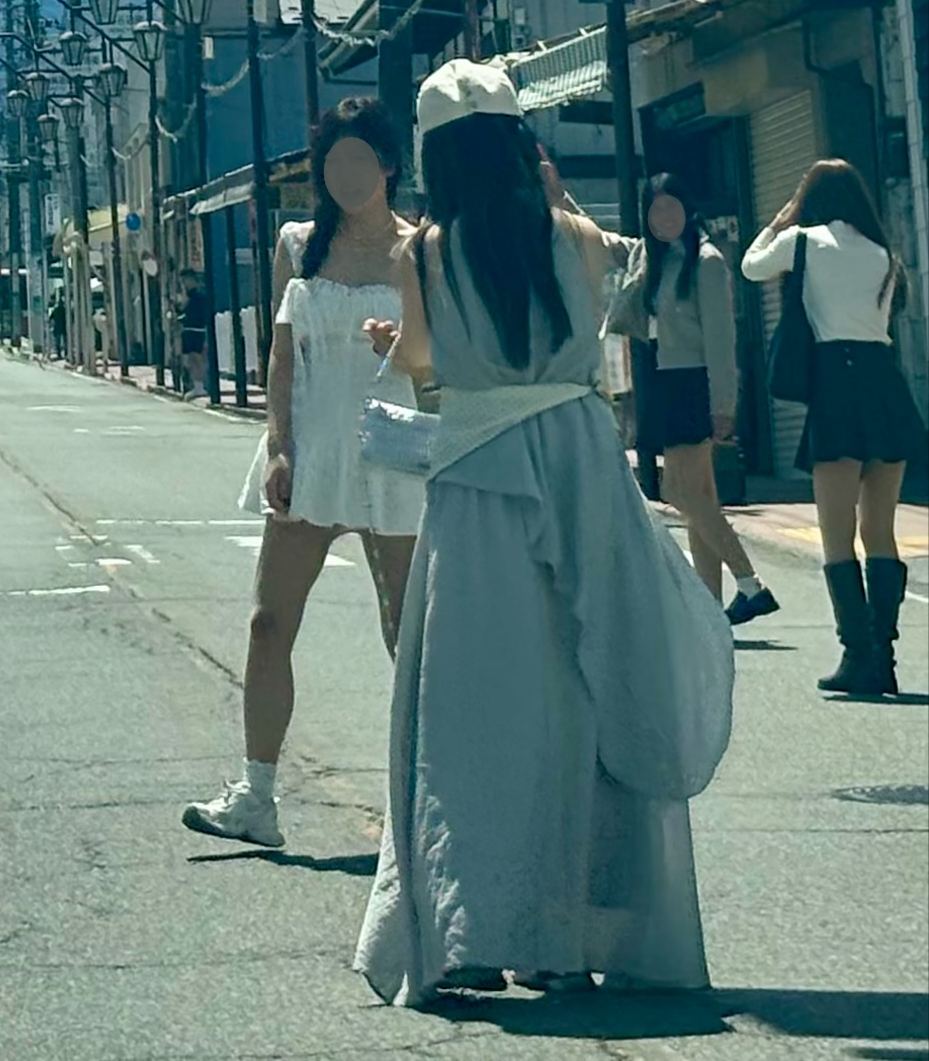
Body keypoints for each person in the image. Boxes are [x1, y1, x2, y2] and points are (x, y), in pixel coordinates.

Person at [357, 59, 733, 1004]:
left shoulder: (426, 251)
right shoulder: (578, 237)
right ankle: (568, 935)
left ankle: (473, 928)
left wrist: (386, 345)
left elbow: (424, 364)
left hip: (480, 474)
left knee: (473, 706)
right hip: (579, 467)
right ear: (522, 144)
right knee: (585, 687)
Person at [182, 96, 424, 853]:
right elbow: (282, 358)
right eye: (334, 161)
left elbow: (438, 355)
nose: (347, 174)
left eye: (361, 159)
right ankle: (256, 793)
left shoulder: (422, 249)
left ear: (388, 165)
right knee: (267, 620)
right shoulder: (299, 244)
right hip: (312, 453)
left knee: (407, 632)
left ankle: (427, 801)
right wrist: (278, 445)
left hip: (394, 455)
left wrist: (402, 344)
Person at [742, 158, 926, 697]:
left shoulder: (801, 240)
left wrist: (779, 219)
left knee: (836, 532)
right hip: (885, 386)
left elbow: (752, 266)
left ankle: (857, 655)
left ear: (811, 199)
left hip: (837, 389)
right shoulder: (883, 254)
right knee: (880, 530)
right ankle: (884, 658)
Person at [605, 173, 777, 625]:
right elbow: (605, 240)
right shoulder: (654, 257)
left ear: (688, 208)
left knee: (680, 491)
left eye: (672, 206)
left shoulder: (706, 261)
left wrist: (724, 405)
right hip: (663, 378)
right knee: (701, 495)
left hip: (693, 383)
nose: (664, 216)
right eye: (655, 208)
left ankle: (750, 583)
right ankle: (709, 604)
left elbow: (723, 342)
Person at [177, 276, 208, 399]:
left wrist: (182, 316)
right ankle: (197, 385)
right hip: (189, 330)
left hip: (196, 330)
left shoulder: (197, 297)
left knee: (197, 358)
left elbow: (191, 314)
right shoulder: (189, 296)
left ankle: (200, 386)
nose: (185, 284)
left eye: (186, 280)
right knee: (191, 359)